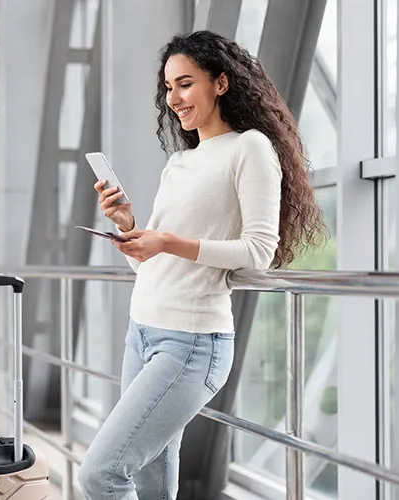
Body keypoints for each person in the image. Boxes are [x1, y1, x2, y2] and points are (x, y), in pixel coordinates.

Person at [77, 30, 326, 500]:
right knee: (151, 486)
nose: (174, 98)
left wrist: (168, 240)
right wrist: (131, 228)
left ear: (221, 83)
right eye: (169, 88)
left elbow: (258, 251)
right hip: (142, 333)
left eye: (186, 83)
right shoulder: (180, 163)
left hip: (191, 344)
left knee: (101, 474)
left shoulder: (249, 148)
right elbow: (157, 265)